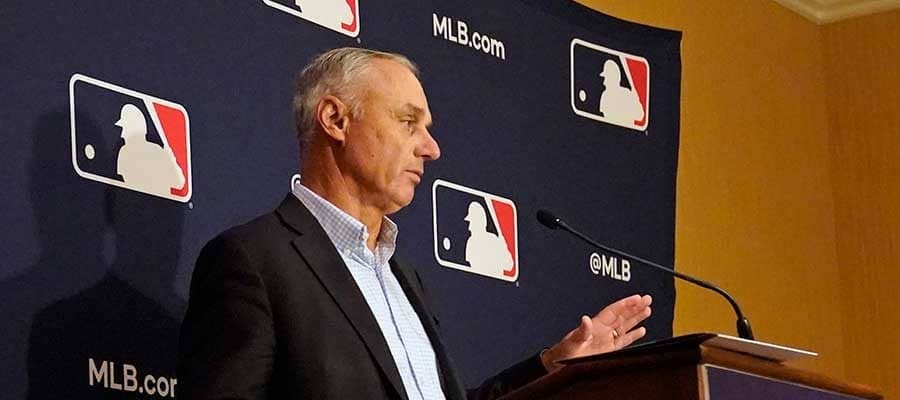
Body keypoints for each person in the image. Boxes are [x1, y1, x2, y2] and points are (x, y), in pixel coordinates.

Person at [177, 47, 653, 400]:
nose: (431, 148)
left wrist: (552, 367)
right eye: (408, 122)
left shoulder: (401, 274)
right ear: (335, 119)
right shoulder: (253, 261)